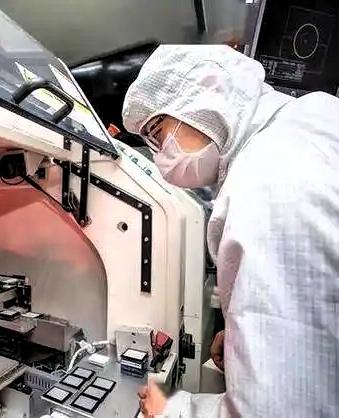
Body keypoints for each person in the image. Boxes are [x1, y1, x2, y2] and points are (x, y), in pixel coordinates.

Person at [121, 45, 339, 417]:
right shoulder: (309, 119)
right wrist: (248, 338)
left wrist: (175, 409)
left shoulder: (269, 183)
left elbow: (279, 410)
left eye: (157, 132)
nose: (159, 155)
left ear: (207, 93)